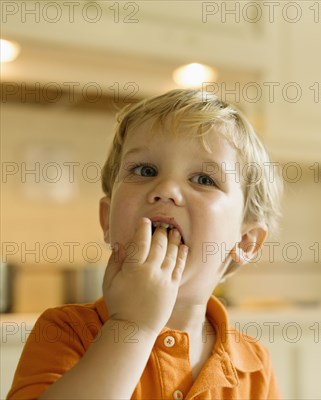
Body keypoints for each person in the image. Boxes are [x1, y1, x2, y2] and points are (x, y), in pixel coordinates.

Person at [7, 89, 283, 399]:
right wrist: (132, 326)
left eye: (204, 179)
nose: (165, 189)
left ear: (246, 241)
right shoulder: (65, 331)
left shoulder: (254, 365)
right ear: (107, 220)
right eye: (145, 170)